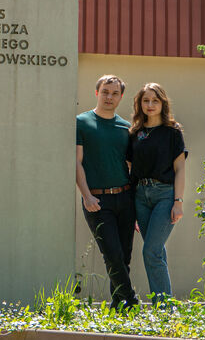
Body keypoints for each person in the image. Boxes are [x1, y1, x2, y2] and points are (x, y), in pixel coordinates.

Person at [76, 74, 139, 310]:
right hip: (97, 200)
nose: (109, 97)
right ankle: (131, 301)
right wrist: (86, 195)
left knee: (124, 258)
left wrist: (137, 203)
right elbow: (77, 162)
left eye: (114, 93)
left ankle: (118, 306)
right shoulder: (81, 122)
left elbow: (132, 167)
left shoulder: (126, 127)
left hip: (125, 198)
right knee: (111, 254)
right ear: (97, 93)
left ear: (120, 97)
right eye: (105, 92)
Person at [128, 83, 186, 304]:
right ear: (140, 104)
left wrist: (178, 202)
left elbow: (180, 169)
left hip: (165, 195)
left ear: (162, 103)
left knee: (151, 252)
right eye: (146, 100)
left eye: (155, 100)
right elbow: (131, 169)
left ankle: (165, 310)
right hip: (140, 197)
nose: (150, 105)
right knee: (156, 252)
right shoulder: (135, 133)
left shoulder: (173, 132)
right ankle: (164, 309)